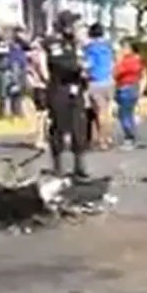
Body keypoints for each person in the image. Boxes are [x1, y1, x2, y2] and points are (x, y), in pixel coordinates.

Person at [44, 11, 89, 177]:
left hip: (76, 90)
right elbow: (60, 64)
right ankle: (58, 166)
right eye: (75, 26)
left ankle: (80, 166)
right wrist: (80, 67)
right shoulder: (54, 42)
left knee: (80, 127)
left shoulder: (76, 44)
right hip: (59, 89)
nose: (78, 29)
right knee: (59, 128)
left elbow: (84, 62)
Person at [83, 22, 116, 149]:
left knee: (99, 112)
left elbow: (88, 64)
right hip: (109, 80)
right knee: (107, 111)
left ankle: (102, 140)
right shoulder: (108, 46)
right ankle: (107, 137)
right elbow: (113, 62)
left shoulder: (90, 48)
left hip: (96, 81)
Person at [113, 37, 145, 148]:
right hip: (131, 87)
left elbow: (116, 73)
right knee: (127, 113)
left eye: (125, 47)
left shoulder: (128, 61)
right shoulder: (138, 59)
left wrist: (118, 61)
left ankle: (129, 137)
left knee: (125, 114)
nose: (122, 49)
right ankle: (131, 136)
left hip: (126, 87)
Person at [26, 35, 50, 149]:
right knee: (43, 114)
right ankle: (40, 139)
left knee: (39, 113)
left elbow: (28, 72)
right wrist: (49, 80)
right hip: (42, 85)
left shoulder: (29, 56)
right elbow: (43, 71)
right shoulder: (41, 55)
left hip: (33, 86)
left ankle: (39, 138)